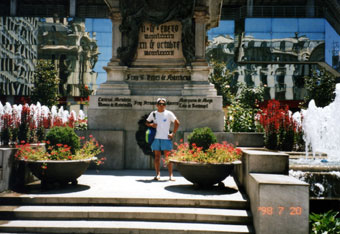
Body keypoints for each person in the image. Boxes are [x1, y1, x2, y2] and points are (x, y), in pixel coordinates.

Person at [146, 98, 180, 181]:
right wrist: (151, 125)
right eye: (160, 104)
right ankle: (157, 174)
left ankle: (171, 175)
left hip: (166, 138)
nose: (162, 105)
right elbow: (146, 122)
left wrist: (173, 133)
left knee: (168, 157)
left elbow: (177, 122)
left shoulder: (168, 113)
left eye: (163, 104)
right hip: (156, 138)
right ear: (157, 105)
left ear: (165, 105)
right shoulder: (153, 113)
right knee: (157, 157)